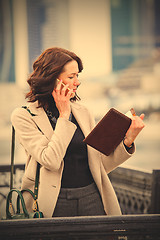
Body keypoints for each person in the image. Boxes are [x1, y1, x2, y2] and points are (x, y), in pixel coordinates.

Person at [11, 47, 145, 218]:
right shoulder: (24, 116)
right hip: (52, 203)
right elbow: (50, 160)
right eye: (71, 76)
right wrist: (64, 115)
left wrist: (129, 140)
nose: (77, 82)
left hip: (92, 198)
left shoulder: (83, 112)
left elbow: (100, 166)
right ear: (53, 79)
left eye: (77, 76)